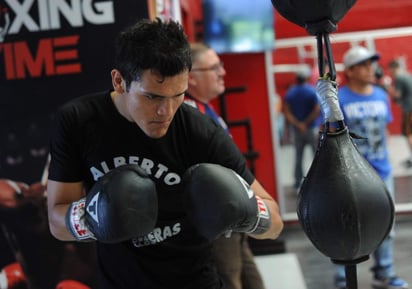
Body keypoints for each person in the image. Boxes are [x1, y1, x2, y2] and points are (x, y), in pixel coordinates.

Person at [46, 17, 283, 289]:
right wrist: (93, 218)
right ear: (119, 81)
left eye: (178, 95)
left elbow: (275, 220)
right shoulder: (78, 122)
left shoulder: (199, 130)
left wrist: (250, 213)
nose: (166, 112)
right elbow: (56, 221)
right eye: (153, 97)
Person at [184, 42, 265, 289]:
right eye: (214, 67)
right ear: (191, 78)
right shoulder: (189, 116)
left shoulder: (205, 109)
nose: (223, 72)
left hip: (235, 213)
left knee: (252, 280)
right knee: (229, 280)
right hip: (219, 218)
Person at [333, 45, 408, 289]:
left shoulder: (380, 95)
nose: (370, 68)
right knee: (347, 227)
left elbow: (385, 129)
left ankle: (384, 273)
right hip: (350, 177)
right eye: (363, 65)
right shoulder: (339, 99)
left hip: (382, 172)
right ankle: (343, 278)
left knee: (387, 226)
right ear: (350, 70)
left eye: (371, 64)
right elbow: (329, 138)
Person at [283, 65, 320, 191]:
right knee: (317, 156)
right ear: (308, 77)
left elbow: (287, 112)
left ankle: (298, 183)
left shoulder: (291, 92)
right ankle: (319, 180)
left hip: (297, 131)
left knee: (298, 157)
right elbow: (317, 110)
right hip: (311, 129)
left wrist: (297, 124)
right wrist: (305, 123)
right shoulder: (312, 91)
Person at [387, 59, 412, 168]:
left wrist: (387, 87)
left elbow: (397, 95)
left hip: (408, 109)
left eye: (390, 70)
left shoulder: (399, 77)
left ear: (393, 68)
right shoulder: (407, 74)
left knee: (409, 134)